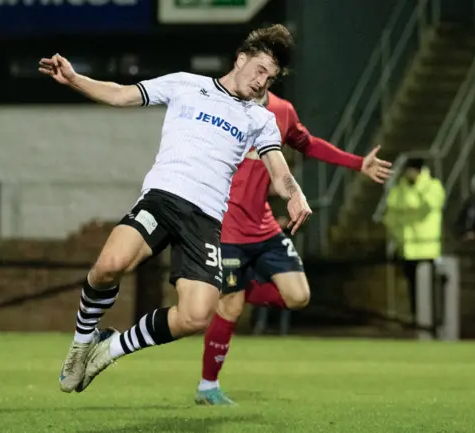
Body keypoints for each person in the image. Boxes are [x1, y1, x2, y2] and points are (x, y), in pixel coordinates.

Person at [39, 24, 312, 394]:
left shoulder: (260, 119)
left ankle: (110, 348)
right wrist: (74, 79)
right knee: (108, 267)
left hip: (205, 220)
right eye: (260, 70)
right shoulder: (186, 84)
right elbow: (122, 95)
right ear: (241, 58)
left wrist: (294, 193)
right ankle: (81, 343)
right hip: (162, 198)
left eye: (272, 77)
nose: (263, 82)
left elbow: (278, 169)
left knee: (196, 316)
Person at [195, 89, 393, 405]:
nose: (262, 76)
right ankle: (207, 387)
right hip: (227, 229)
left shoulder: (282, 110)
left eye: (270, 69)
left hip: (263, 226)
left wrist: (357, 163)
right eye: (258, 66)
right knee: (229, 307)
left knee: (298, 296)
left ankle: (238, 289)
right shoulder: (217, 108)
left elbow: (309, 144)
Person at [382, 158, 444, 320]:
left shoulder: (432, 186)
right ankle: (418, 319)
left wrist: (420, 187)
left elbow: (431, 205)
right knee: (413, 289)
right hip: (407, 249)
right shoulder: (399, 190)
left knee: (431, 289)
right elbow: (391, 216)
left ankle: (434, 320)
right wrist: (397, 236)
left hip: (428, 249)